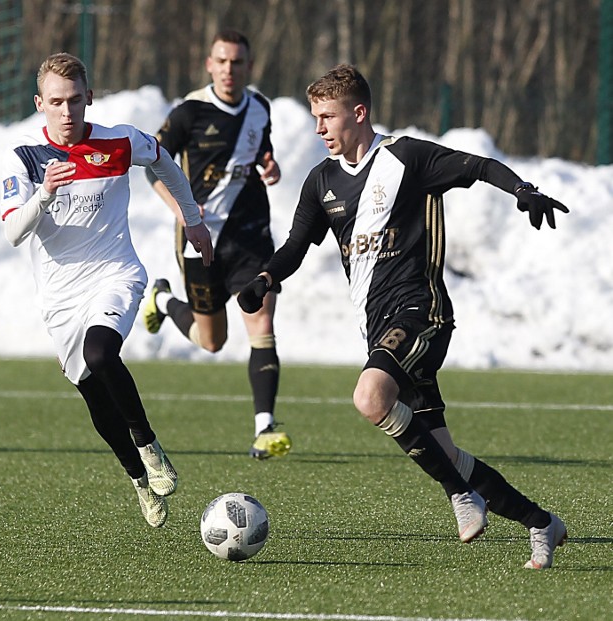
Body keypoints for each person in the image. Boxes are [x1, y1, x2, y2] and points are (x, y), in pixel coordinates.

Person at [238, 64, 568, 568]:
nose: (319, 128)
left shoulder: (406, 157)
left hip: (422, 311)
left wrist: (521, 188)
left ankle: (460, 495)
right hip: (378, 327)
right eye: (315, 118)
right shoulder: (322, 181)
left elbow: (476, 165)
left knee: (370, 397)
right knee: (446, 451)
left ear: (359, 112)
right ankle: (542, 523)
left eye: (328, 117)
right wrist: (265, 279)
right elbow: (297, 244)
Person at [0, 52, 213, 528]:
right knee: (94, 395)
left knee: (101, 353)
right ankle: (138, 479)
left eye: (75, 100)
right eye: (56, 102)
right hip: (59, 296)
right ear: (40, 104)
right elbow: (13, 232)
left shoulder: (119, 140)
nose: (67, 112)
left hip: (115, 272)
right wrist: (45, 193)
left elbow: (166, 165)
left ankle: (148, 441)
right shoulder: (26, 158)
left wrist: (192, 220)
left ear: (89, 98)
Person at [142, 29, 290, 460]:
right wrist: (184, 213)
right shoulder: (189, 112)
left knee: (261, 321)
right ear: (210, 64)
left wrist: (270, 165)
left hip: (250, 237)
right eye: (222, 61)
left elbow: (261, 152)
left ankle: (266, 427)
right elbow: (153, 170)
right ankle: (164, 299)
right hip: (201, 241)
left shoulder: (260, 108)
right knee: (212, 342)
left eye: (237, 62)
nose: (229, 69)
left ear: (248, 66)